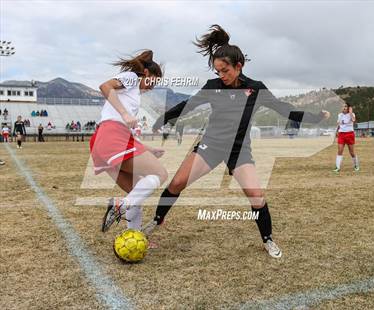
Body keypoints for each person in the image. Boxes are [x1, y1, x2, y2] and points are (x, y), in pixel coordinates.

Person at [139, 25, 330, 258]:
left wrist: (316, 118)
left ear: (239, 66)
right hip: (210, 145)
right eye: (218, 71)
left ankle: (267, 239)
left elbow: (285, 110)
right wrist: (163, 118)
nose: (222, 76)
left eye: (225, 70)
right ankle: (156, 222)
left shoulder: (256, 89)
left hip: (238, 150)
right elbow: (188, 105)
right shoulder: (213, 87)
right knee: (177, 183)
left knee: (256, 195)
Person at [90, 50, 168, 234]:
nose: (152, 87)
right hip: (112, 135)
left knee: (136, 195)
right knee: (160, 174)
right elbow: (105, 86)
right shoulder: (132, 77)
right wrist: (125, 113)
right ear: (147, 74)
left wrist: (149, 149)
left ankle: (133, 237)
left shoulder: (133, 92)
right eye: (153, 81)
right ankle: (120, 205)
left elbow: (125, 131)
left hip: (105, 139)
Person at [333, 103, 359, 172]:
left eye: (345, 106)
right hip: (341, 134)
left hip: (350, 134)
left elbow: (353, 120)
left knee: (351, 152)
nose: (344, 108)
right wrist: (336, 131)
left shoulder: (352, 114)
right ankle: (337, 167)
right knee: (340, 150)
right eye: (343, 106)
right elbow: (338, 124)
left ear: (348, 108)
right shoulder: (339, 115)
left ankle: (356, 165)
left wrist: (350, 112)